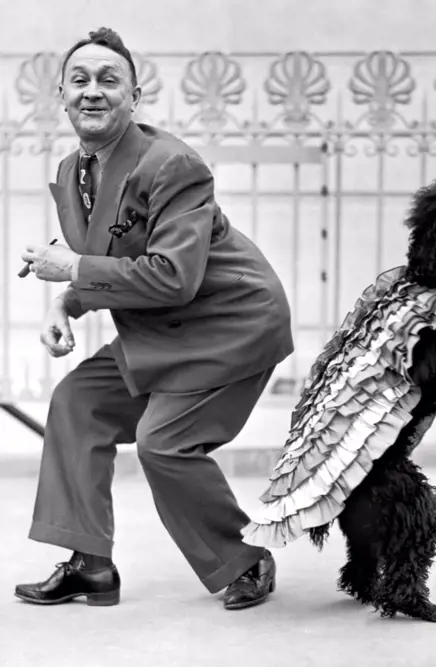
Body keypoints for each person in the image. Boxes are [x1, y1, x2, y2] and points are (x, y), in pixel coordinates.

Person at [16, 27, 293, 610]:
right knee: (77, 403)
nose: (93, 91)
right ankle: (90, 565)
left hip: (231, 325)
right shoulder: (74, 172)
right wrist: (68, 301)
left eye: (109, 80)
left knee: (163, 444)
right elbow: (111, 256)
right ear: (61, 96)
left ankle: (244, 559)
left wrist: (71, 272)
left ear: (134, 97)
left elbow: (173, 275)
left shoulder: (174, 165)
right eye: (80, 80)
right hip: (162, 329)